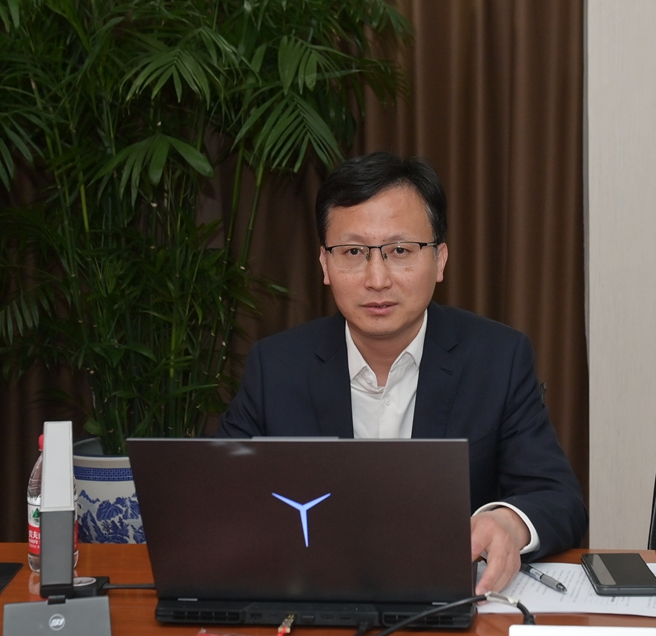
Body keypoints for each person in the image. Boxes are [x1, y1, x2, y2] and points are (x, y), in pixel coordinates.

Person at [216, 152, 587, 594]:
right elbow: (216, 495)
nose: (377, 279)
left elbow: (558, 498)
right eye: (353, 252)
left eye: (399, 251)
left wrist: (508, 522)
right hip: (315, 601)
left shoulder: (497, 358)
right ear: (325, 265)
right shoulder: (276, 366)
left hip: (448, 604)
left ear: (440, 260)